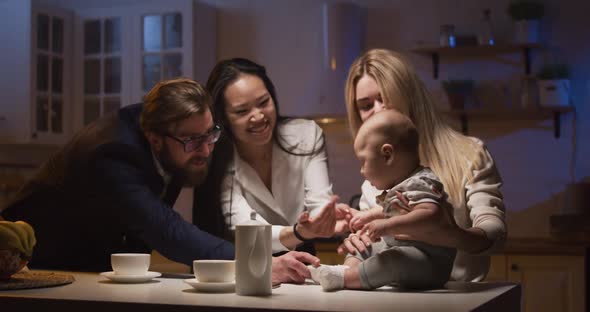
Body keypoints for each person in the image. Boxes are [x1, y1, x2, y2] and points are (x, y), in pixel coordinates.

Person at [0, 78, 318, 283]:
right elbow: (166, 230)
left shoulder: (175, 135)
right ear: (154, 138)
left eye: (211, 135)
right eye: (193, 141)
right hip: (24, 263)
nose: (206, 150)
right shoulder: (112, 153)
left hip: (85, 266)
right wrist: (257, 264)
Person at [339, 49, 506, 282]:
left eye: (385, 97)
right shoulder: (372, 183)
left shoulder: (468, 154)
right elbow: (374, 254)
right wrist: (354, 254)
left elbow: (495, 236)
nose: (378, 110)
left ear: (408, 96)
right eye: (366, 105)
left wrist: (452, 235)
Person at [193, 58, 349, 284]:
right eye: (242, 111)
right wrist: (300, 232)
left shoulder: (306, 135)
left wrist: (326, 220)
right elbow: (246, 230)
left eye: (263, 102)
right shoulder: (220, 159)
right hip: (243, 270)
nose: (258, 116)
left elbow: (319, 206)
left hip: (301, 263)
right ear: (224, 119)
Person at [310, 109, 456, 291]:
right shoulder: (402, 186)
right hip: (404, 252)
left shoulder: (421, 181)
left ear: (387, 155)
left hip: (430, 262)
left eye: (363, 162)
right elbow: (396, 209)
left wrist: (387, 226)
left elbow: (430, 214)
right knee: (363, 248)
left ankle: (345, 279)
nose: (361, 171)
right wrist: (368, 216)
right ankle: (346, 272)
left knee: (392, 259)